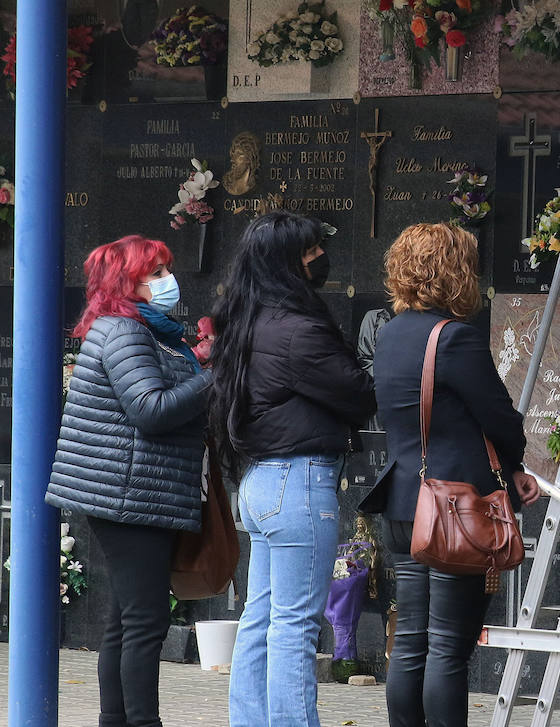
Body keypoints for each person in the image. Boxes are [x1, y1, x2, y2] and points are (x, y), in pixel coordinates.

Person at [359, 222, 541, 727]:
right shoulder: (455, 338)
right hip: (454, 510)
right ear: (456, 272)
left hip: (401, 504)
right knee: (448, 648)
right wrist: (515, 465)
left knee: (411, 640)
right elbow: (501, 418)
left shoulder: (389, 332)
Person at [207, 212, 376, 726]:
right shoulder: (296, 329)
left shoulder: (248, 320)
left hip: (260, 483)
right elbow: (358, 393)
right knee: (295, 626)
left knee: (260, 618)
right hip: (298, 482)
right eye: (307, 253)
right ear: (285, 264)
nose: (318, 260)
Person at [47, 235, 211, 727]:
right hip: (128, 493)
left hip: (136, 490)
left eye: (166, 270)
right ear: (126, 282)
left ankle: (115, 720)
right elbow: (151, 410)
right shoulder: (124, 333)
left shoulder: (147, 330)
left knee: (124, 621)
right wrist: (217, 373)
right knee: (145, 622)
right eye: (155, 274)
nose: (167, 282)